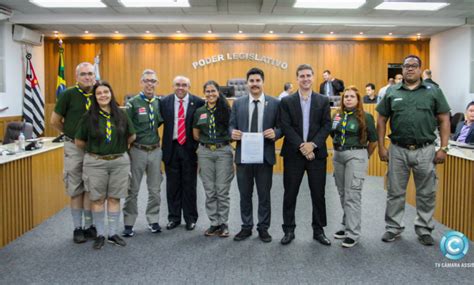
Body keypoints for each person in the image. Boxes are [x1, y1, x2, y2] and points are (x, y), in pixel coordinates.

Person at [377, 55, 451, 246]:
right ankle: (393, 228)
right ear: (402, 70)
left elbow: (444, 119)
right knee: (395, 191)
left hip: (425, 150)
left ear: (420, 69)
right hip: (398, 149)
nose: (410, 69)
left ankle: (424, 229)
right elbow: (381, 120)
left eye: (414, 66)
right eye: (406, 66)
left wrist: (443, 148)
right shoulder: (392, 92)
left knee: (426, 193)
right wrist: (381, 147)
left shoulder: (433, 91)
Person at [75, 80, 136, 249]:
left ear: (111, 94)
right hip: (96, 163)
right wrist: (96, 150)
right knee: (98, 199)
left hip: (119, 162)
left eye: (106, 92)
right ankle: (100, 234)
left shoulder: (121, 115)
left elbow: (132, 136)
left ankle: (113, 234)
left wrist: (118, 148)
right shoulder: (88, 117)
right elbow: (79, 141)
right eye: (99, 93)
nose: (103, 95)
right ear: (95, 97)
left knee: (115, 198)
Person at [279, 64, 332, 246]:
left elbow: (326, 125)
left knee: (318, 194)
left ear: (313, 77)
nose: (305, 79)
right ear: (297, 79)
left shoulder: (323, 100)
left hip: (317, 155)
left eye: (308, 75)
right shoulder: (286, 102)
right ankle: (288, 229)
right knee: (290, 193)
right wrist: (303, 146)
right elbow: (285, 126)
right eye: (302, 76)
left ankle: (319, 230)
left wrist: (312, 145)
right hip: (294, 154)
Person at [230, 67, 282, 243]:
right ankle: (246, 227)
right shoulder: (238, 103)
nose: (254, 84)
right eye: (251, 81)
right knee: (244, 194)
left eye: (257, 80)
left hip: (264, 156)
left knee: (264, 194)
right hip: (243, 157)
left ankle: (263, 228)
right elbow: (231, 126)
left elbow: (282, 126)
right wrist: (232, 133)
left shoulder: (275, 103)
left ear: (263, 82)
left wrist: (276, 133)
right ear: (247, 83)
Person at [51, 62, 97, 243]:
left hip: (94, 149)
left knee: (90, 188)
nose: (88, 77)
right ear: (77, 76)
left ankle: (89, 226)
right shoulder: (68, 94)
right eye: (84, 74)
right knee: (76, 188)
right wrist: (71, 134)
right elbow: (54, 121)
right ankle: (78, 228)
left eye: (91, 74)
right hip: (74, 148)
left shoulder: (99, 93)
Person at [331, 86, 377, 248]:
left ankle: (353, 233)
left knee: (353, 195)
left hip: (356, 155)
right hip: (338, 155)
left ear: (358, 100)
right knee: (343, 193)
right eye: (346, 97)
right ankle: (346, 225)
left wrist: (364, 156)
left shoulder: (366, 117)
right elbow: (333, 134)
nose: (348, 99)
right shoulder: (337, 116)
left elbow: (373, 141)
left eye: (352, 97)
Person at [122, 69, 164, 237]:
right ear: (141, 82)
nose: (149, 84)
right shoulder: (133, 103)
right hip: (137, 150)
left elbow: (160, 122)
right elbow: (126, 128)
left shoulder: (158, 103)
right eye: (146, 80)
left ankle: (153, 220)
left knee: (155, 189)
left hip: (155, 150)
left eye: (153, 81)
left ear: (156, 83)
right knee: (133, 189)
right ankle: (129, 223)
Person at [160, 76, 205, 231]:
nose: (180, 88)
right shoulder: (164, 102)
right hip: (171, 147)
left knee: (189, 184)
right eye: (177, 85)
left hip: (189, 148)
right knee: (172, 185)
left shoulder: (198, 102)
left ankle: (190, 218)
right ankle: (174, 218)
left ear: (189, 86)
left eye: (184, 85)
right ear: (173, 86)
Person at [192, 80, 234, 237]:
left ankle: (224, 223)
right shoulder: (199, 111)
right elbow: (196, 134)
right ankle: (214, 223)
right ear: (204, 93)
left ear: (218, 92)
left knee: (222, 190)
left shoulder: (226, 110)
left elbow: (233, 131)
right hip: (205, 153)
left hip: (223, 151)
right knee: (210, 190)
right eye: (207, 91)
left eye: (213, 91)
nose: (210, 94)